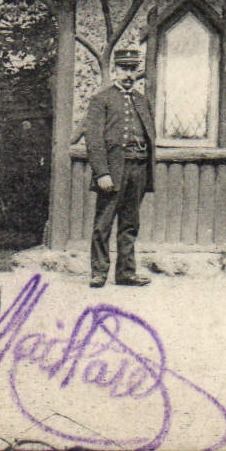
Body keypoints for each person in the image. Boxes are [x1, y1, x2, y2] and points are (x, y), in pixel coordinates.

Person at [85, 46, 156, 288]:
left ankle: (126, 273)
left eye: (132, 69)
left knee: (130, 223)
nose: (128, 74)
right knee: (103, 223)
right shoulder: (101, 100)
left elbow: (150, 136)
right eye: (124, 69)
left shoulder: (142, 101)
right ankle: (99, 272)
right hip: (113, 171)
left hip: (138, 168)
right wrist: (102, 172)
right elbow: (94, 140)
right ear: (114, 71)